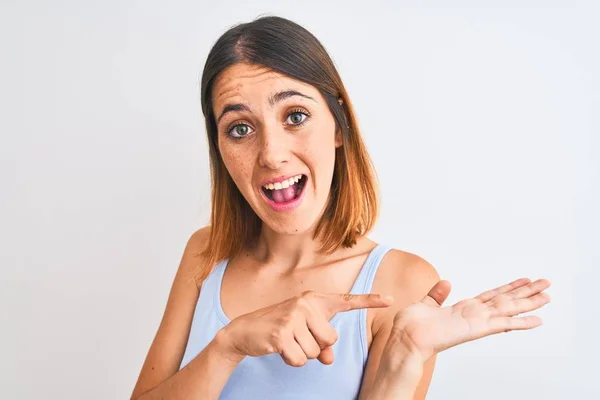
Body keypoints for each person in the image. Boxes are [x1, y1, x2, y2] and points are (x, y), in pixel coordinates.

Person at [130, 15, 551, 400]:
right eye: (240, 128)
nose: (272, 155)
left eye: (295, 116)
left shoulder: (400, 281)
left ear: (338, 125)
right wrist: (228, 345)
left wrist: (403, 360)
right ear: (220, 148)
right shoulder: (205, 254)